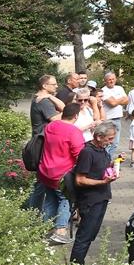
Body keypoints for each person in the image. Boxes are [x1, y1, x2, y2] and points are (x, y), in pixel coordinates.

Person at [36, 101, 86, 245]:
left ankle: (46, 228)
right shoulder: (73, 131)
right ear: (75, 116)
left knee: (50, 200)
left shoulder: (50, 126)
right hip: (62, 174)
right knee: (66, 200)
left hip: (45, 170)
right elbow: (79, 154)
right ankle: (61, 231)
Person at [70, 121, 119, 265]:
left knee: (91, 234)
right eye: (109, 138)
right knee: (84, 236)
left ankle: (78, 264)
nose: (111, 142)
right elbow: (80, 180)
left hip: (101, 198)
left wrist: (114, 164)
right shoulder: (87, 152)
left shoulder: (102, 149)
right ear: (98, 136)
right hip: (90, 200)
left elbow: (99, 167)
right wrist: (103, 183)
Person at [100, 71, 128, 157]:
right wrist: (120, 99)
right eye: (109, 80)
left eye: (113, 79)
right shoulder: (103, 90)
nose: (111, 81)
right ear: (105, 81)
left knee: (115, 143)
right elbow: (112, 104)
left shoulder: (119, 88)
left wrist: (116, 100)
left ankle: (109, 160)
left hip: (118, 119)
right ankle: (104, 160)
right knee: (107, 142)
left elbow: (127, 100)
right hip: (108, 120)